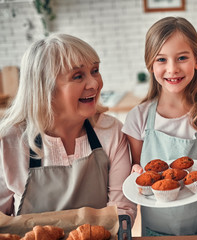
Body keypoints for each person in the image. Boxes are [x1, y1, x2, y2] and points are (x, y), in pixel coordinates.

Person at [0, 33, 137, 225]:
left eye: (95, 70)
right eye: (78, 76)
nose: (94, 84)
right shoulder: (9, 142)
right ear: (45, 87)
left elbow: (122, 211)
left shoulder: (111, 131)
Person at [122, 16, 197, 236]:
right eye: (161, 60)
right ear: (150, 64)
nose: (172, 69)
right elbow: (136, 169)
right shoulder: (138, 117)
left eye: (182, 57)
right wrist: (135, 171)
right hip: (155, 228)